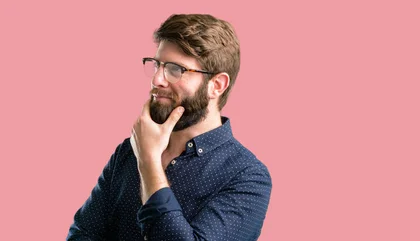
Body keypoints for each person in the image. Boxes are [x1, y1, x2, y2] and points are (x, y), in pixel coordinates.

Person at [67, 14, 272, 241]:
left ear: (217, 85)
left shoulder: (246, 176)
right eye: (157, 65)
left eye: (175, 69)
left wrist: (149, 164)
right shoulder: (128, 151)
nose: (157, 79)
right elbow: (81, 234)